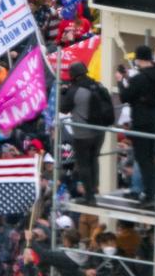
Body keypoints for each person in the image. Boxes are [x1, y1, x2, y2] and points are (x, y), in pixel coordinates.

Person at [117, 45, 155, 207]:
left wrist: (121, 81)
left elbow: (125, 97)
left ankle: (149, 196)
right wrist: (129, 78)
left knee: (144, 160)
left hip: (141, 123)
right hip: (153, 122)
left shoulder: (139, 79)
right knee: (149, 160)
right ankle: (150, 193)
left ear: (139, 59)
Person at [62, 62, 106, 204]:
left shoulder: (74, 90)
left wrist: (64, 93)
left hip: (83, 134)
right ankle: (94, 189)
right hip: (100, 132)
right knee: (94, 159)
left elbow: (63, 109)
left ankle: (89, 197)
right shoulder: (98, 86)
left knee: (84, 164)